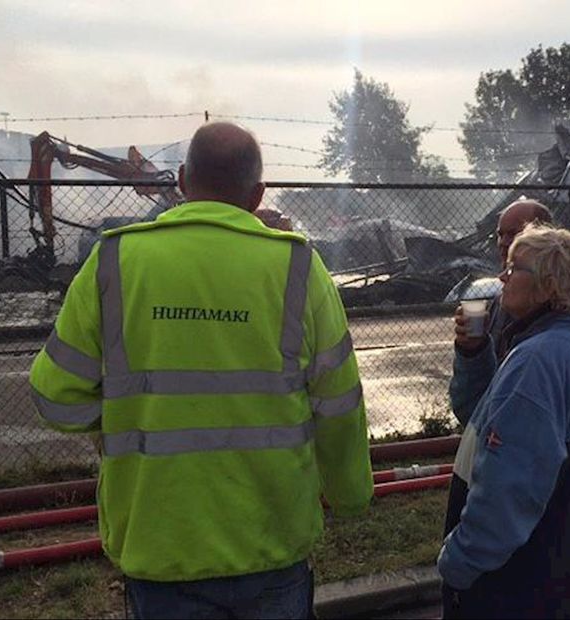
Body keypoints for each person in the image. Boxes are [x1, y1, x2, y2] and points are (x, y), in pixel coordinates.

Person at [28, 121, 373, 619]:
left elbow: (54, 398)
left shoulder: (114, 260)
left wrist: (125, 415)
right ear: (258, 194)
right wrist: (350, 497)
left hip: (159, 545)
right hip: (271, 544)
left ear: (184, 181)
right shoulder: (298, 266)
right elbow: (338, 404)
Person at [439, 223, 570, 619]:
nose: (502, 276)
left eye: (515, 268)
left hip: (514, 582)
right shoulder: (567, 344)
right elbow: (485, 416)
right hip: (554, 568)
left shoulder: (538, 360)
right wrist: (474, 353)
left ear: (549, 287)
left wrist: (460, 562)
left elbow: (509, 489)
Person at [450, 199, 552, 372]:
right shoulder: (500, 301)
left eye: (514, 234)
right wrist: (473, 349)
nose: (504, 242)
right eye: (500, 234)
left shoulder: (552, 308)